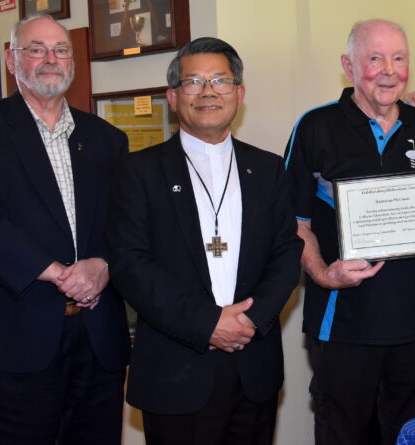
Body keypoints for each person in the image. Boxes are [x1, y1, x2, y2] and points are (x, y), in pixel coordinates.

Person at [0, 14, 130, 444]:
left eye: (61, 50)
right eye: (36, 49)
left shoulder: (107, 138)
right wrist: (61, 274)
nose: (51, 59)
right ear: (12, 60)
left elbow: (127, 223)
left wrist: (103, 265)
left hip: (98, 338)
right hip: (12, 339)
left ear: (73, 63)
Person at [284, 19, 415, 445]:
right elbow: (294, 224)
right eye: (375, 59)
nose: (389, 70)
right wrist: (321, 273)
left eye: (399, 58)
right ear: (349, 67)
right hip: (344, 324)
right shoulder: (314, 128)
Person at [106, 37, 302, 445]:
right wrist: (208, 323)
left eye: (220, 81)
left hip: (254, 362)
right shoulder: (138, 171)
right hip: (176, 367)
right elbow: (130, 264)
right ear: (173, 97)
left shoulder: (267, 169)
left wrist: (249, 320)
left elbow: (287, 252)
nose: (208, 91)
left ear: (239, 94)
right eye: (193, 82)